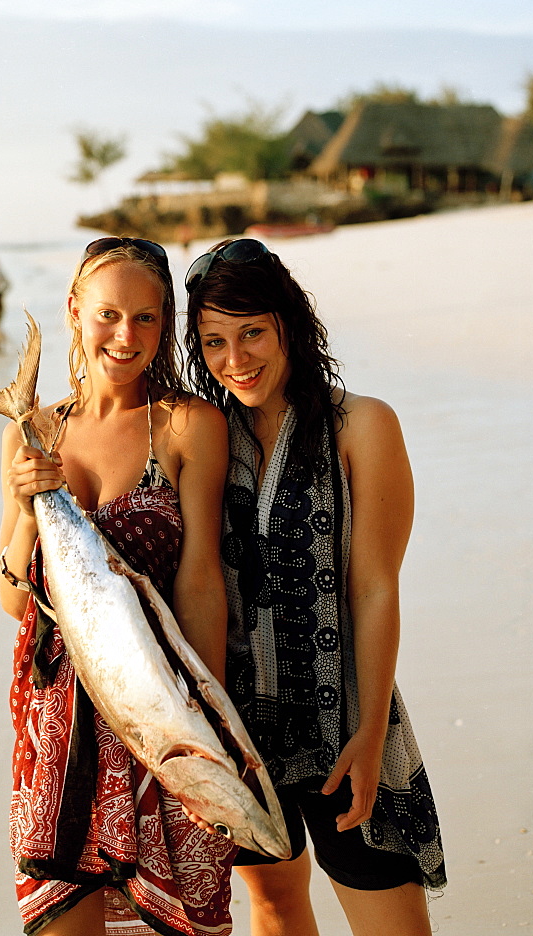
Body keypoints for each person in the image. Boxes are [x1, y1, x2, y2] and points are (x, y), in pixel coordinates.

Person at [183, 239, 446, 936]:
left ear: (288, 325)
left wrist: (366, 732)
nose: (234, 360)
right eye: (213, 342)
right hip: (244, 732)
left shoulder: (362, 425)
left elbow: (376, 589)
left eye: (252, 334)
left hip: (347, 728)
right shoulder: (207, 437)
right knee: (274, 905)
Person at [0, 237, 235, 935]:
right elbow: (14, 598)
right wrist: (24, 505)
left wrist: (208, 738)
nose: (125, 336)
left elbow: (200, 584)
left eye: (146, 319)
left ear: (166, 324)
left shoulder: (189, 426)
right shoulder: (32, 432)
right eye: (108, 315)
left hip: (158, 715)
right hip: (57, 725)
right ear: (74, 312)